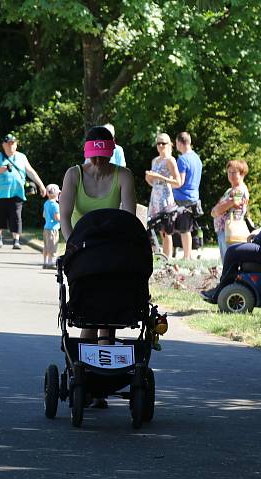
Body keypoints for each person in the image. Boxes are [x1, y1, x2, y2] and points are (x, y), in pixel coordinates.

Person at [60, 125, 136, 407]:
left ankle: (105, 372)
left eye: (103, 156)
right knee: (86, 310)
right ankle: (87, 374)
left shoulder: (123, 176)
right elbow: (65, 215)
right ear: (87, 153)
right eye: (94, 156)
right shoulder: (74, 175)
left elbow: (128, 215)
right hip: (82, 246)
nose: (98, 162)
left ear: (111, 153)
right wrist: (72, 245)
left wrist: (125, 244)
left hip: (113, 244)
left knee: (110, 309)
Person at [0, 133, 47, 249]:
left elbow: (31, 171)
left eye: (13, 144)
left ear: (16, 145)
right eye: (8, 144)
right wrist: (1, 169)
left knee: (16, 217)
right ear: (3, 145)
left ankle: (16, 241)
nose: (11, 146)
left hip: (17, 192)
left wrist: (41, 185)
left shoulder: (22, 157)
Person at [145, 133, 180, 258]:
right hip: (155, 198)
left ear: (169, 144)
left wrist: (160, 177)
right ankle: (158, 255)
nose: (160, 146)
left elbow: (178, 182)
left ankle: (167, 257)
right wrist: (149, 178)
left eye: (163, 143)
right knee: (154, 228)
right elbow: (153, 183)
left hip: (166, 198)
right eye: (158, 143)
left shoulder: (170, 160)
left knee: (166, 230)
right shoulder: (155, 160)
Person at [210, 160, 250, 260]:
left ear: (242, 174)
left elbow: (223, 207)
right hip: (223, 230)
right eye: (229, 172)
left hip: (231, 231)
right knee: (226, 261)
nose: (231, 175)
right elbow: (217, 209)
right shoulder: (229, 190)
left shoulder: (240, 190)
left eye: (234, 172)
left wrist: (217, 210)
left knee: (230, 263)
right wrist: (217, 209)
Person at [174, 131, 203, 260]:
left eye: (176, 144)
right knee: (189, 229)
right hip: (194, 197)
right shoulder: (197, 158)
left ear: (180, 143)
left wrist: (167, 182)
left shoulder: (182, 159)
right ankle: (187, 254)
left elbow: (180, 182)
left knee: (184, 230)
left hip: (183, 198)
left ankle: (187, 256)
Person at [42, 183, 61, 269]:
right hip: (53, 229)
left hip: (46, 227)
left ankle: (45, 262)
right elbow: (57, 217)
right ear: (56, 194)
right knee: (53, 246)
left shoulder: (46, 203)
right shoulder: (55, 205)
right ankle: (51, 263)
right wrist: (63, 219)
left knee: (46, 246)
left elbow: (44, 215)